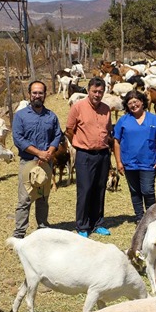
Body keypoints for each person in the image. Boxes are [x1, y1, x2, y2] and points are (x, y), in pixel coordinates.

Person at [12, 80, 62, 239]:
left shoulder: (51, 116)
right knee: (25, 199)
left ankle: (42, 229)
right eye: (34, 93)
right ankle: (19, 234)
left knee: (43, 197)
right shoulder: (20, 116)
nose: (37, 96)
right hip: (28, 162)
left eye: (40, 93)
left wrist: (50, 151)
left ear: (45, 95)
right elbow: (18, 139)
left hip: (46, 162)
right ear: (29, 95)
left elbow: (57, 135)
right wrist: (39, 153)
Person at [66, 77, 113, 238]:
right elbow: (69, 129)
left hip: (103, 154)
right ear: (88, 90)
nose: (97, 94)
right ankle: (82, 225)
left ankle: (97, 223)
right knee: (85, 189)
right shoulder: (78, 107)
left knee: (99, 189)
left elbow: (108, 130)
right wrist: (79, 142)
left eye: (100, 92)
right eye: (95, 91)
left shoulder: (106, 109)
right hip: (85, 154)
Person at [113, 90, 156, 224]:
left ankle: (152, 218)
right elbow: (116, 141)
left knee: (148, 190)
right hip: (129, 163)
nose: (133, 105)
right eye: (130, 103)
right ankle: (140, 218)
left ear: (142, 102)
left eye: (136, 101)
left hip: (148, 162)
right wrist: (118, 161)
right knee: (135, 191)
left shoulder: (154, 119)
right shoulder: (123, 120)